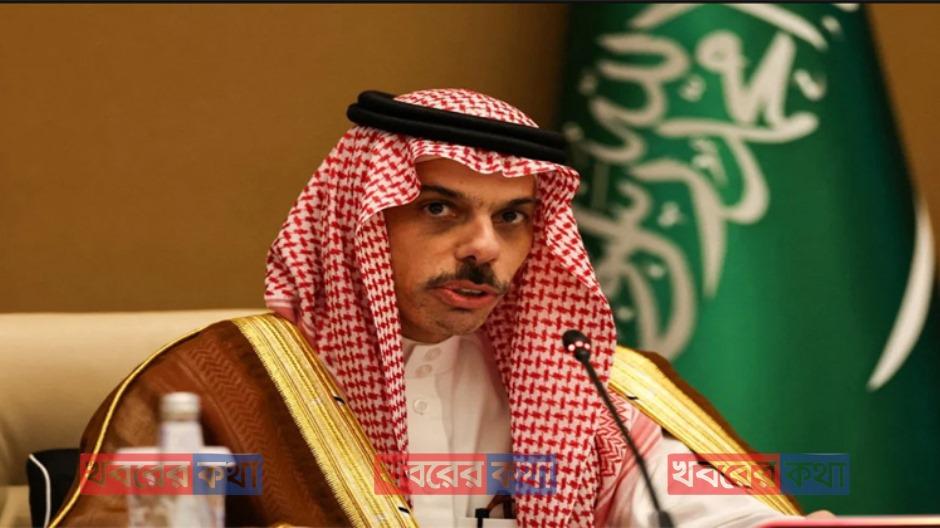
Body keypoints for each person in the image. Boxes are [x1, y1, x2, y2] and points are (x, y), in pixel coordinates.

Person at [52, 89, 810, 527]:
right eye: (440, 209)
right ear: (359, 220)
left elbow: (702, 509)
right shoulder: (211, 389)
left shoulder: (582, 386)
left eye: (512, 217)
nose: (484, 246)